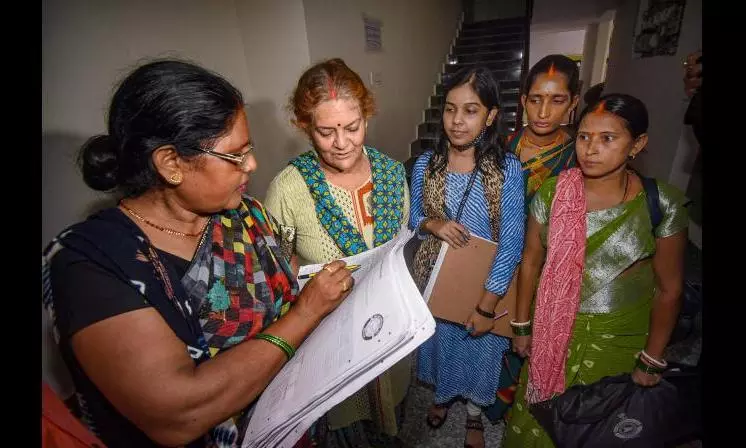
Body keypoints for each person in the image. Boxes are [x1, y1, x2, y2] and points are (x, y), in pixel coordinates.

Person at [41, 60, 354, 448]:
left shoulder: (245, 214)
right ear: (171, 164)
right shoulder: (91, 265)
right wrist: (305, 313)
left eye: (250, 149)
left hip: (289, 421)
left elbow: (286, 276)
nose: (252, 164)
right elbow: (179, 414)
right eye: (236, 156)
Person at [503, 94, 688, 447]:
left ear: (638, 144)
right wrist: (522, 327)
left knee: (601, 427)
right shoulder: (553, 194)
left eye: (608, 138)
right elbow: (530, 261)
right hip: (552, 331)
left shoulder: (660, 203)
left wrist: (651, 358)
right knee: (537, 423)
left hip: (619, 339)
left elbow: (670, 290)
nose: (590, 149)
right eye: (584, 137)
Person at [264, 58, 410, 446]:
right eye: (326, 132)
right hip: (331, 341)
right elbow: (279, 273)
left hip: (389, 327)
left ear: (367, 116)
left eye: (352, 127)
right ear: (304, 126)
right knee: (346, 426)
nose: (342, 143)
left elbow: (400, 249)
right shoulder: (289, 189)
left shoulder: (393, 175)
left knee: (392, 412)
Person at [409, 65, 525, 448]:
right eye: (450, 109)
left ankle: (474, 415)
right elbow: (412, 219)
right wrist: (433, 224)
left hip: (486, 285)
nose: (457, 120)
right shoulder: (426, 165)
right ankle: (442, 397)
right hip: (438, 280)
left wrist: (487, 306)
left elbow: (511, 242)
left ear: (490, 116)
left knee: (480, 352)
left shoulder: (507, 169)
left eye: (471, 110)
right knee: (441, 345)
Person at [506, 55, 581, 208]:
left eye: (557, 101)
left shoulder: (576, 158)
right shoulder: (502, 145)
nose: (543, 113)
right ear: (524, 101)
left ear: (573, 103)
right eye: (535, 100)